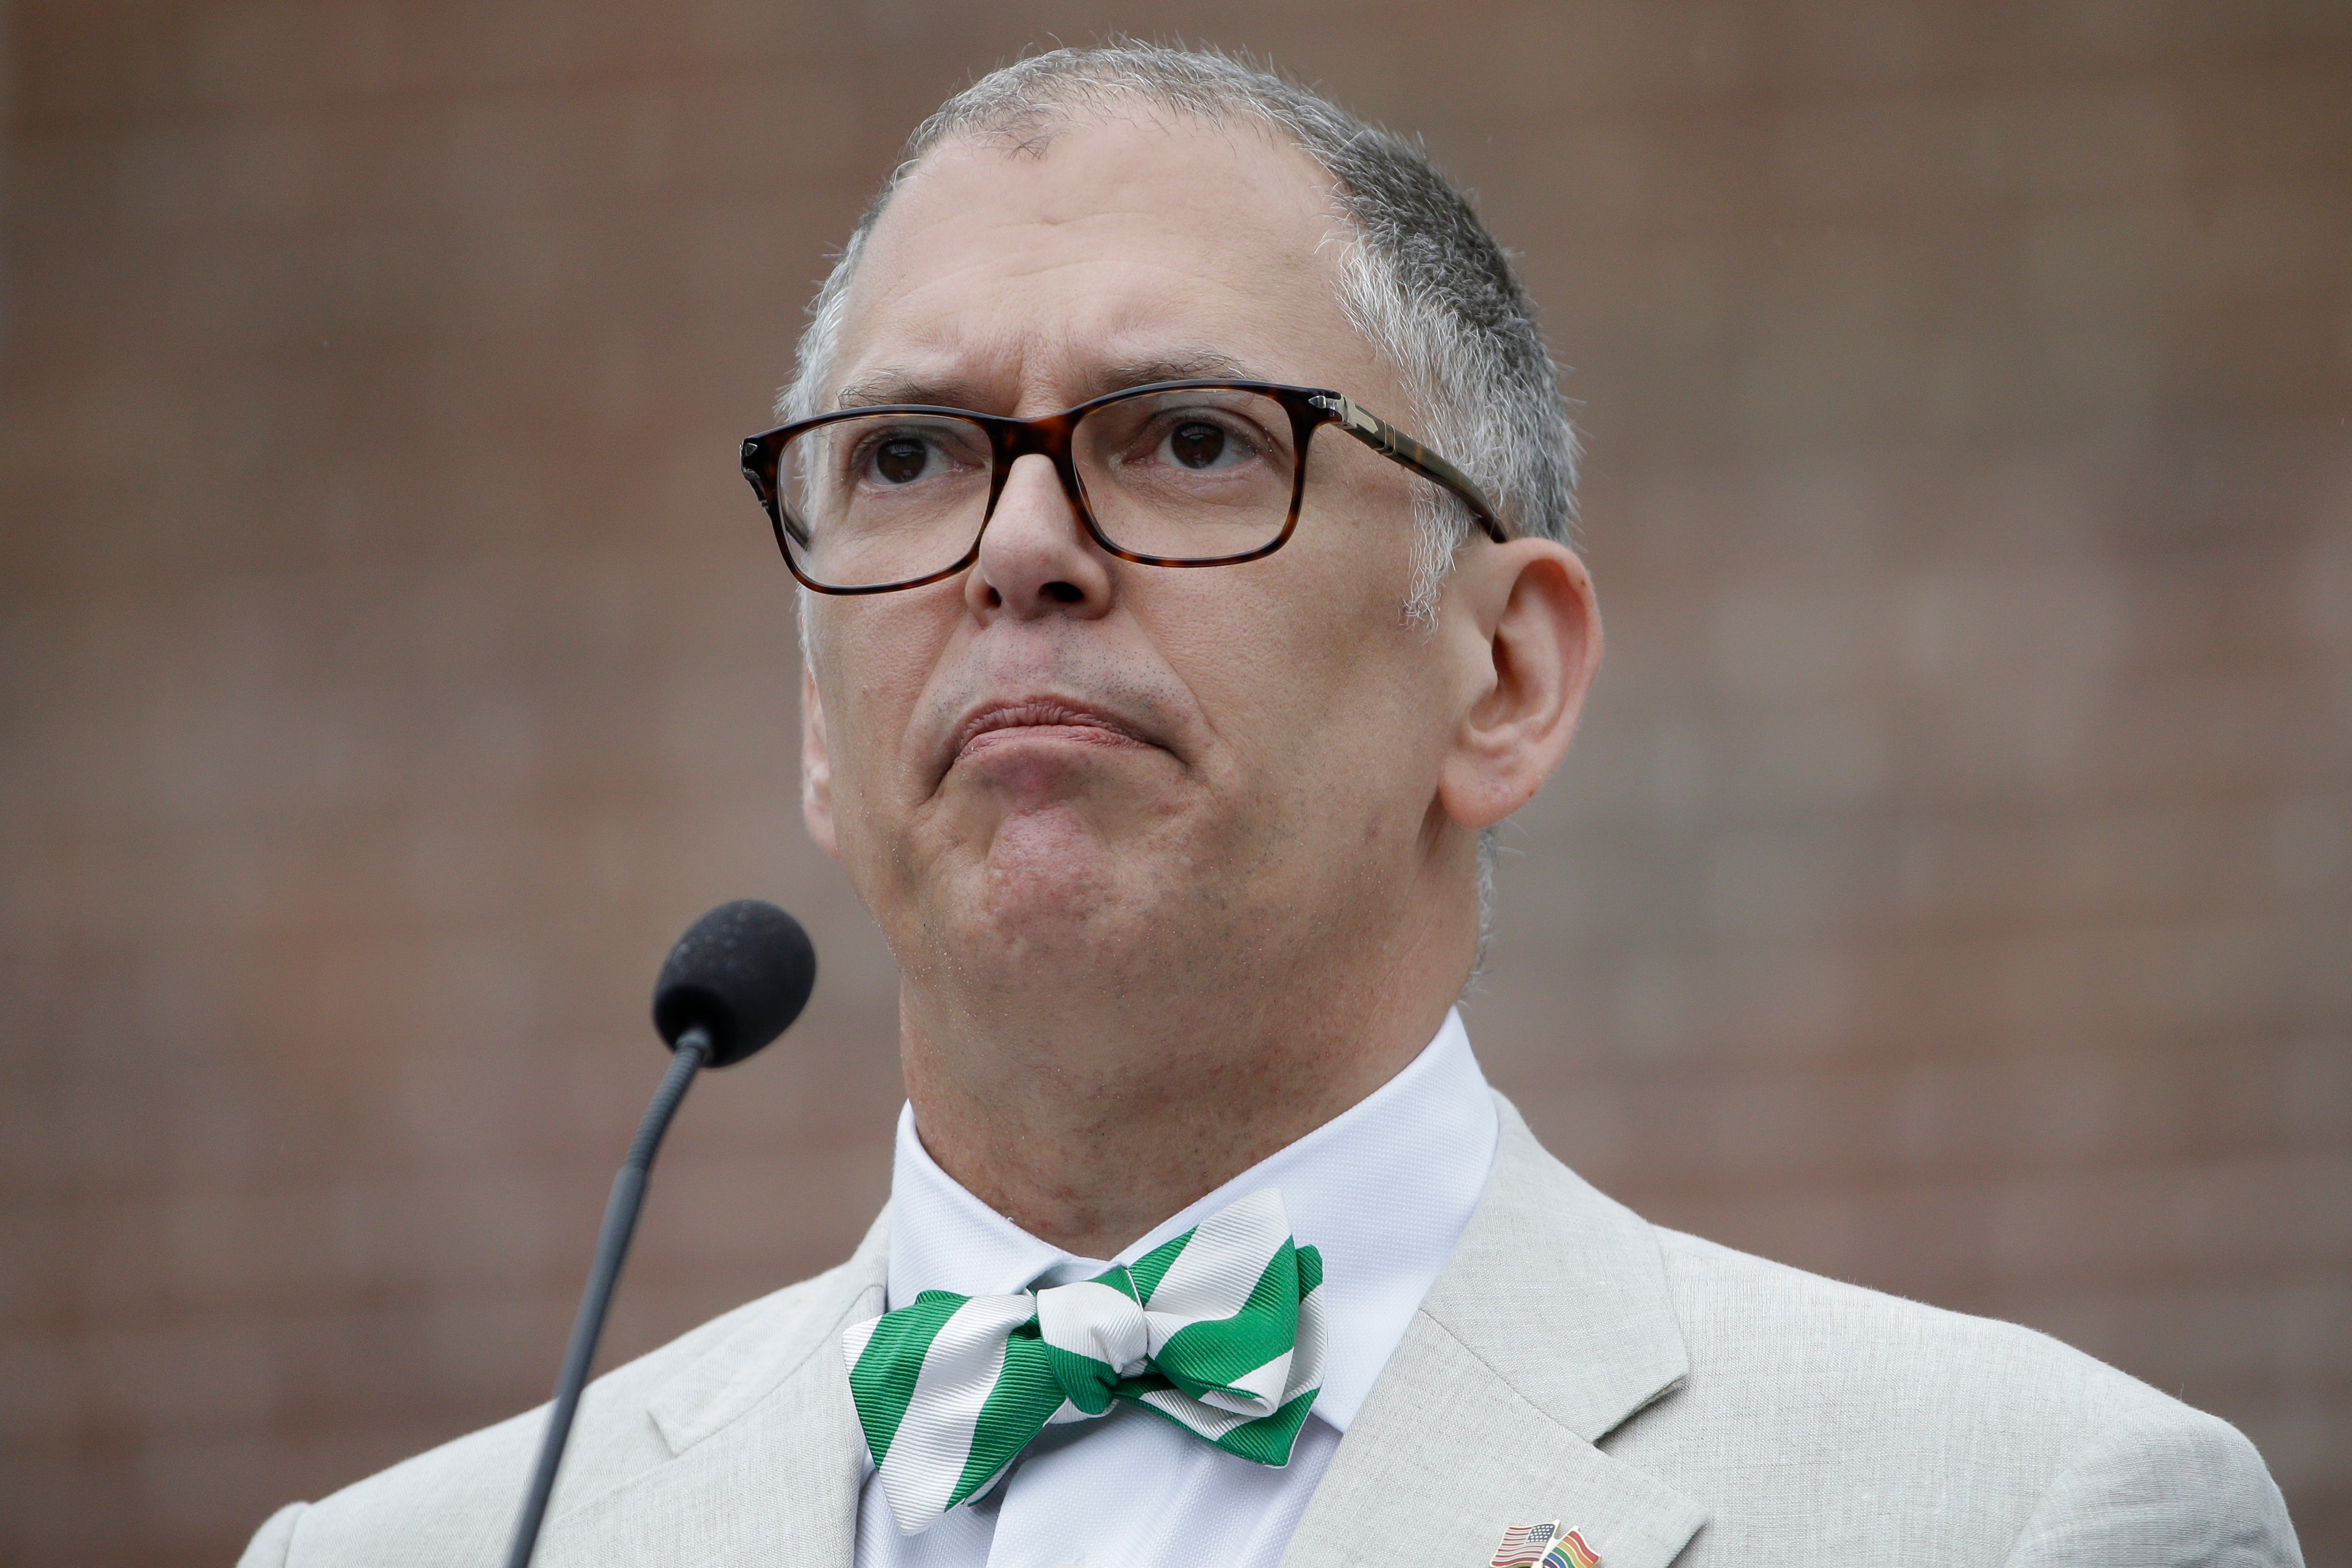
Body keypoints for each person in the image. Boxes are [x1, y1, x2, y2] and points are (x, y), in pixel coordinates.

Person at [239, 43, 2301, 1568]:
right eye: (905, 459)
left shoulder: (2028, 1513)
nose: (1017, 545)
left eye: (1194, 438)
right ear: (813, 713)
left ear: (1501, 676)